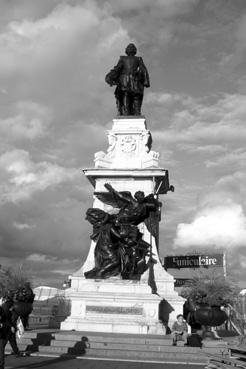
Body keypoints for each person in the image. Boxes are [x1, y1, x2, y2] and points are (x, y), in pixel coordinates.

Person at [105, 43, 150, 116]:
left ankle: (131, 113)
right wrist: (146, 81)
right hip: (132, 81)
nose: (131, 49)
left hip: (127, 81)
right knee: (132, 97)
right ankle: (133, 113)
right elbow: (143, 69)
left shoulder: (129, 58)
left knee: (129, 97)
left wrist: (110, 76)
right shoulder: (132, 58)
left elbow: (117, 69)